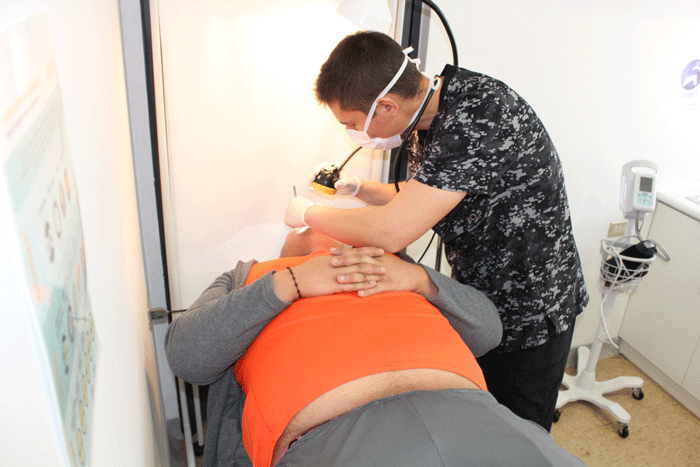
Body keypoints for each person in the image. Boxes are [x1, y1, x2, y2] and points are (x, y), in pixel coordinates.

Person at [284, 30, 589, 431]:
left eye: (353, 124)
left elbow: (392, 231)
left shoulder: (478, 116)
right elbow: (421, 195)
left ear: (387, 106)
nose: (355, 134)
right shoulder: (428, 117)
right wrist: (358, 188)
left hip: (531, 306)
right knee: (481, 417)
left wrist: (309, 213)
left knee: (519, 434)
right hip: (480, 298)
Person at [166, 227, 587, 467]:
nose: (328, 235)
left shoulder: (398, 269)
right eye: (305, 230)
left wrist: (419, 279)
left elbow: (488, 330)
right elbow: (187, 356)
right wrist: (291, 283)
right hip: (336, 438)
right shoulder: (252, 277)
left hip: (471, 413)